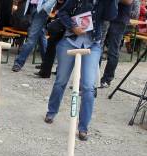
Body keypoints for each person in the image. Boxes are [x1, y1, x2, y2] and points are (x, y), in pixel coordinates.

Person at [44, 0, 118, 141]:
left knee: (89, 87)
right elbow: (63, 12)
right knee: (61, 80)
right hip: (69, 41)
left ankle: (83, 127)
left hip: (92, 44)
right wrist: (73, 27)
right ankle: (51, 112)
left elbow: (111, 16)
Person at [12, 0, 58, 72]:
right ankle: (47, 64)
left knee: (31, 38)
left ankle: (18, 63)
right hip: (32, 6)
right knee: (41, 36)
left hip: (41, 9)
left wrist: (46, 7)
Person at [99, 0, 134, 88]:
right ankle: (92, 78)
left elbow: (128, 1)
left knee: (113, 50)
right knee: (97, 47)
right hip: (104, 16)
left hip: (119, 19)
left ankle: (106, 79)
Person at [35, 0, 66, 78]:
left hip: (63, 19)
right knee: (53, 47)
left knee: (57, 48)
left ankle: (47, 71)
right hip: (60, 18)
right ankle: (45, 71)